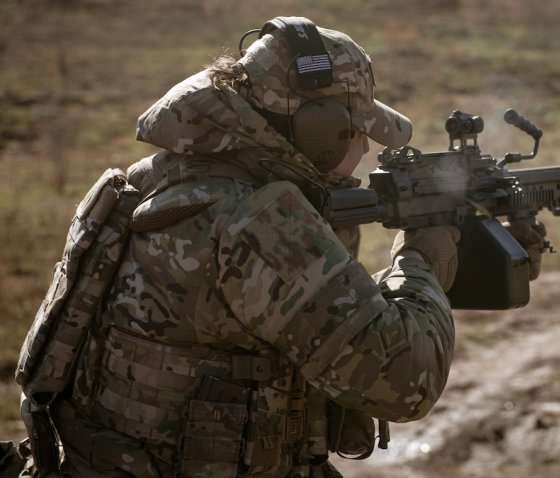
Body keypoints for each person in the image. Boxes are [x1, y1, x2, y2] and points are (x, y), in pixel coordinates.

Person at [47, 16, 460, 477]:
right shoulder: (261, 223)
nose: (365, 145)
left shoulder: (153, 179)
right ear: (319, 129)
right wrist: (420, 262)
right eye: (356, 127)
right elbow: (404, 381)